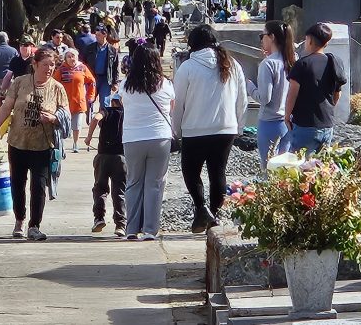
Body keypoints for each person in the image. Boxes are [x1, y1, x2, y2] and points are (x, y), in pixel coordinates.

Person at [0, 49, 69, 241]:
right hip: (18, 142)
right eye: (45, 65)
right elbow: (6, 107)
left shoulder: (57, 88)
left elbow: (65, 115)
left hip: (43, 144)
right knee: (17, 183)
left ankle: (35, 226)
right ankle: (20, 220)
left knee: (39, 186)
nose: (49, 69)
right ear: (35, 64)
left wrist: (54, 117)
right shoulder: (20, 82)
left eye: (52, 65)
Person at [172, 25, 247, 233]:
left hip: (195, 129)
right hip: (226, 128)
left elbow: (179, 103)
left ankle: (201, 207)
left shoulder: (187, 68)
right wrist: (239, 125)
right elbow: (242, 99)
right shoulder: (233, 64)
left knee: (191, 172)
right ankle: (215, 213)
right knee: (218, 172)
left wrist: (175, 129)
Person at [119, 43, 174, 241]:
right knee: (154, 184)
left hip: (133, 138)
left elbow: (123, 105)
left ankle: (131, 229)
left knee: (133, 182)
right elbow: (172, 108)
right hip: (160, 136)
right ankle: (150, 230)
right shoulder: (165, 84)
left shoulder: (126, 85)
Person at [285, 23, 347, 155]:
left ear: (310, 40)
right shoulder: (334, 62)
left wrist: (286, 116)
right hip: (327, 124)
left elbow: (292, 93)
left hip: (305, 125)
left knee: (301, 167)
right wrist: (328, 108)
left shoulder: (302, 64)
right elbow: (338, 93)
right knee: (321, 167)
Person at [247, 21, 296, 171]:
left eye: (262, 36)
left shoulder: (268, 64)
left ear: (272, 37)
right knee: (285, 168)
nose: (261, 40)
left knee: (268, 168)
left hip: (269, 122)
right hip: (289, 121)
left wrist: (249, 85)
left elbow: (264, 98)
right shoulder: (294, 59)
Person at [84, 93, 126, 237]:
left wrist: (89, 137)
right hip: (121, 157)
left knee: (100, 188)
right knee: (119, 190)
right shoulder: (126, 114)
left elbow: (96, 118)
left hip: (103, 156)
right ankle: (120, 224)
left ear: (112, 102)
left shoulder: (106, 111)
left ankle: (99, 218)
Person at [53, 48, 96, 152]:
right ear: (65, 58)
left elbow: (92, 82)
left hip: (79, 101)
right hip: (64, 102)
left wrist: (90, 96)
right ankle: (61, 144)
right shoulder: (61, 69)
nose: (72, 58)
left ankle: (75, 143)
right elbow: (53, 83)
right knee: (63, 124)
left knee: (77, 125)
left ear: (77, 57)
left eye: (73, 56)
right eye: (69, 56)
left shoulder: (82, 68)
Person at [82, 25, 120, 109]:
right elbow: (83, 62)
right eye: (96, 35)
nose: (96, 37)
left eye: (98, 35)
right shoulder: (90, 48)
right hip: (92, 78)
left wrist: (115, 82)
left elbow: (115, 67)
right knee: (89, 101)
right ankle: (89, 121)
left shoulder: (112, 50)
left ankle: (103, 121)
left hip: (106, 79)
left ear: (105, 35)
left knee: (105, 103)